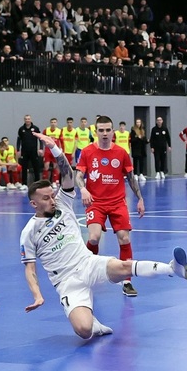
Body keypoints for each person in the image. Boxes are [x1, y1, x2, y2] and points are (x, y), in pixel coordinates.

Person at [21, 131, 187, 339]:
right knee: (84, 331)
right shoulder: (29, 232)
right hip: (66, 281)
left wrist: (55, 149)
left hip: (87, 263)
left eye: (52, 195)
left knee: (123, 266)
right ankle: (94, 325)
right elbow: (30, 269)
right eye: (46, 199)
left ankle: (172, 268)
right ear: (34, 204)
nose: (52, 200)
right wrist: (37, 295)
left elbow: (67, 173)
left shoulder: (62, 203)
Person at [76, 115, 146, 297]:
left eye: (108, 130)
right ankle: (87, 273)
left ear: (113, 131)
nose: (105, 133)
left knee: (124, 238)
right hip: (95, 202)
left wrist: (140, 198)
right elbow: (78, 175)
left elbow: (131, 178)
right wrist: (83, 189)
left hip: (117, 202)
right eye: (101, 130)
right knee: (93, 237)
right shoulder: (87, 152)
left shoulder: (121, 153)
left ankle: (127, 281)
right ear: (95, 132)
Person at [16, 114, 42, 186]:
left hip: (34, 151)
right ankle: (24, 184)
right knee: (24, 168)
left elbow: (40, 139)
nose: (27, 120)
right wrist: (18, 150)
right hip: (24, 152)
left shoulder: (35, 128)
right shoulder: (21, 129)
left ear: (31, 119)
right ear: (24, 120)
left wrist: (41, 148)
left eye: (28, 119)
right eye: (26, 119)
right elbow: (18, 140)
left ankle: (37, 183)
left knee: (36, 167)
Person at [42, 117, 62, 187]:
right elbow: (42, 140)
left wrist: (61, 149)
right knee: (46, 166)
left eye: (54, 122)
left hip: (55, 150)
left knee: (55, 166)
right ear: (50, 123)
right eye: (52, 122)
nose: (53, 124)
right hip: (48, 150)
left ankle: (54, 182)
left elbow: (61, 141)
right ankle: (45, 183)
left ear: (56, 123)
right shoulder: (46, 130)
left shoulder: (59, 131)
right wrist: (43, 150)